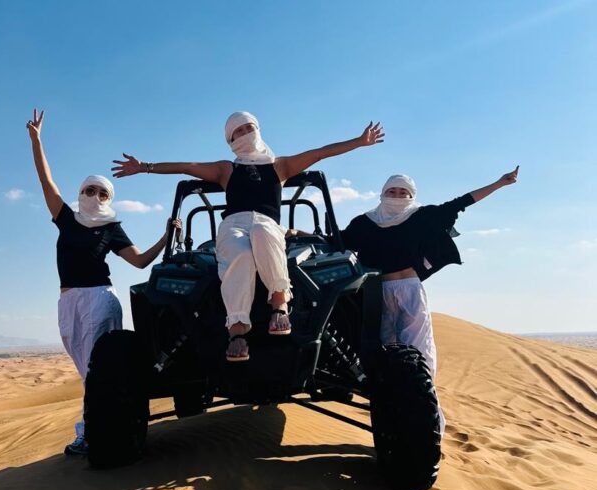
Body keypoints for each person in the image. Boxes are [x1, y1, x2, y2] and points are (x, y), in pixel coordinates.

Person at [111, 111, 384, 361]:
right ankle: (237, 331)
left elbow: (320, 153)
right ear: (230, 140)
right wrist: (145, 166)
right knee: (239, 254)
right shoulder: (227, 169)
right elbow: (187, 167)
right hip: (233, 224)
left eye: (248, 127)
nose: (244, 134)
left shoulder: (281, 166)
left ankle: (279, 305)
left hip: (267, 223)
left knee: (264, 232)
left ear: (258, 128)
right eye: (237, 132)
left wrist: (359, 142)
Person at [26, 109, 180, 456]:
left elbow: (139, 261)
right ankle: (97, 426)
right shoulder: (66, 218)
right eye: (90, 189)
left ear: (109, 198)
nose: (95, 195)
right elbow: (45, 181)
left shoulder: (111, 228)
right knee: (88, 371)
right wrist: (37, 141)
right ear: (81, 191)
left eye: (102, 192)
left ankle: (89, 432)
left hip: (99, 299)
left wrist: (165, 235)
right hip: (68, 302)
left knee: (99, 372)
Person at [340, 166, 520, 432]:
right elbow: (336, 240)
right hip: (376, 293)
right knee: (383, 353)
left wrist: (499, 183)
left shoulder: (422, 216)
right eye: (392, 191)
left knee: (419, 353)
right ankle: (393, 421)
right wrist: (295, 234)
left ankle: (429, 422)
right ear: (382, 193)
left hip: (410, 289)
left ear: (412, 195)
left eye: (403, 192)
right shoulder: (364, 222)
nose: (397, 195)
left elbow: (462, 202)